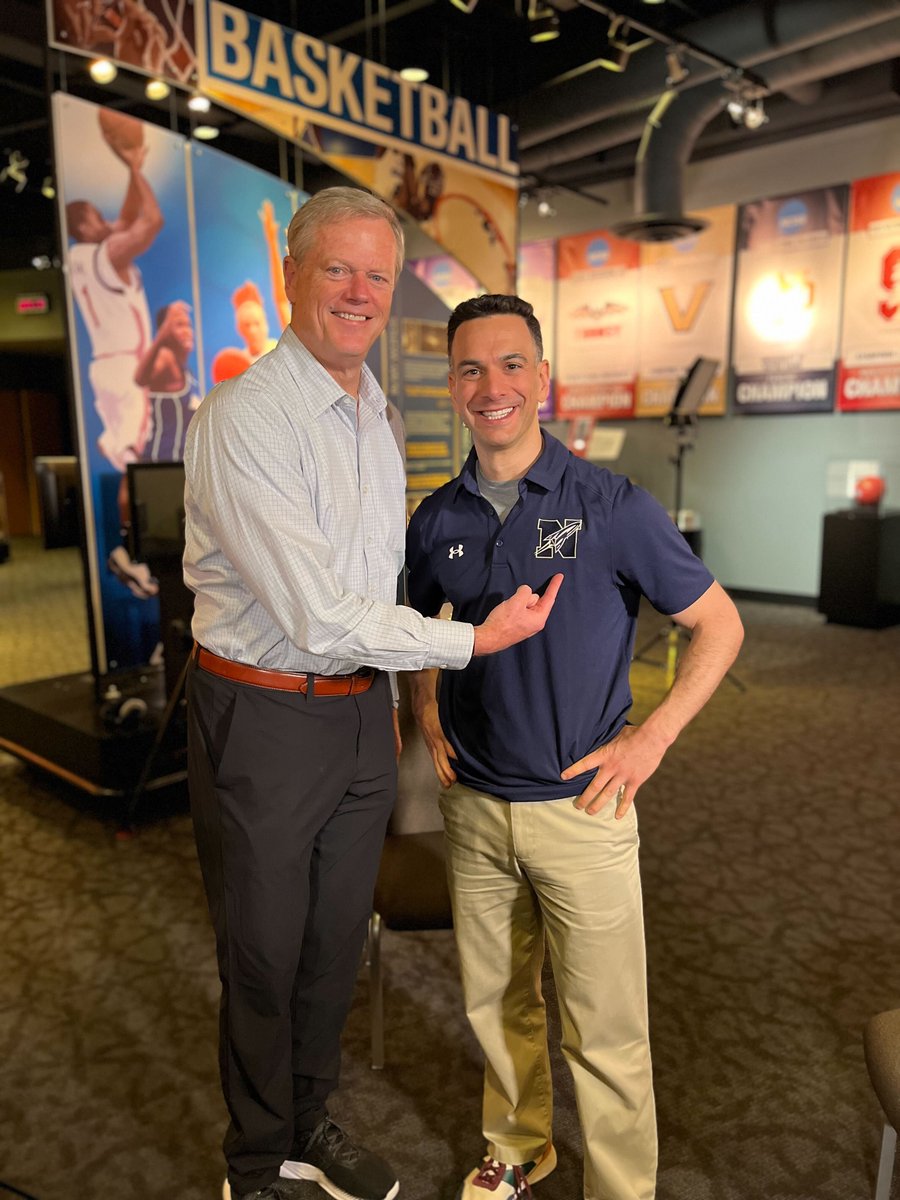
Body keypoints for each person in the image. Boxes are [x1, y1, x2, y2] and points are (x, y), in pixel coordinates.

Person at [182, 192, 563, 1200]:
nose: (359, 293)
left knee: (334, 944)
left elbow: (372, 584)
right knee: (261, 954)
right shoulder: (244, 418)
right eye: (337, 270)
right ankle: (254, 1162)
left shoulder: (377, 413)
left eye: (376, 277)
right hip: (262, 713)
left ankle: (307, 1123)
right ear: (292, 277)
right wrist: (470, 640)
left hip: (357, 715)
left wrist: (410, 696)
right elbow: (313, 611)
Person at [405, 294, 745, 1200]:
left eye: (512, 364)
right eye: (472, 368)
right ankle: (518, 1148)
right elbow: (410, 628)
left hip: (585, 812)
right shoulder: (435, 519)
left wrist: (653, 739)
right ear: (453, 387)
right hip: (474, 811)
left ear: (544, 379)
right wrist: (428, 704)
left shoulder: (613, 505)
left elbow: (719, 626)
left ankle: (621, 1189)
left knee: (605, 1030)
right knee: (496, 1005)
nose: (493, 386)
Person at [65, 129, 162, 473]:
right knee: (136, 465)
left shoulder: (81, 256)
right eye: (97, 216)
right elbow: (151, 221)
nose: (107, 221)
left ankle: (112, 444)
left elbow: (124, 219)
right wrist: (135, 170)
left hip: (103, 366)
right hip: (125, 368)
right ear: (85, 225)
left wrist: (132, 169)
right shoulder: (107, 254)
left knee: (125, 450)